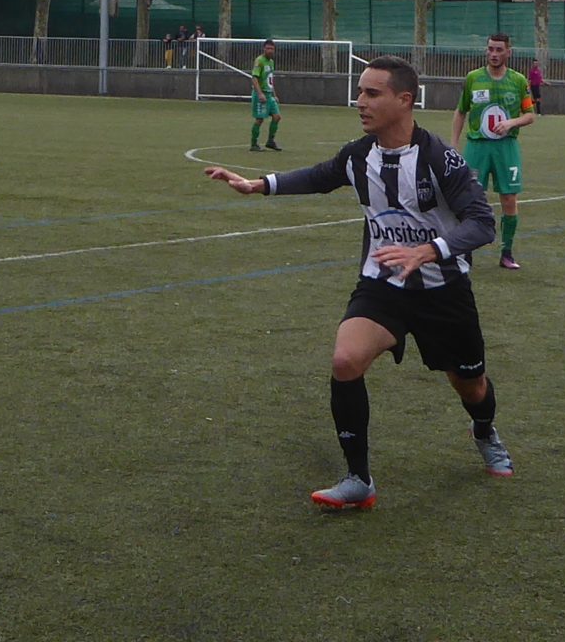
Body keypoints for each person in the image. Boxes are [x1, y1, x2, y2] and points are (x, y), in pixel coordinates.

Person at [204, 55, 513, 510]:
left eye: (372, 93)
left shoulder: (439, 159)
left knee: (472, 386)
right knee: (345, 360)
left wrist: (428, 251)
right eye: (360, 92)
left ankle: (484, 431)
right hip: (383, 285)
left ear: (404, 100)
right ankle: (358, 479)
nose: (360, 102)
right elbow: (319, 176)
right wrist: (259, 185)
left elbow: (482, 224)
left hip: (444, 293)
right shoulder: (358, 155)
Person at [451, 33, 536, 270]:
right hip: (477, 147)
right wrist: (454, 144)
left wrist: (511, 123)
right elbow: (461, 111)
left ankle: (506, 253)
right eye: (490, 49)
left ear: (509, 52)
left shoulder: (518, 81)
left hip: (506, 147)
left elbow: (530, 115)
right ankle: (464, 252)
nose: (494, 54)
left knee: (509, 198)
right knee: (469, 199)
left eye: (499, 50)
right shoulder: (473, 78)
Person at [250, 39, 283, 151]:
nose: (270, 51)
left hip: (269, 95)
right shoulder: (259, 61)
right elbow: (254, 78)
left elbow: (270, 80)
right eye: (268, 48)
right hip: (261, 94)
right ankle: (253, 144)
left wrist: (274, 95)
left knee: (277, 117)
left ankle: (270, 141)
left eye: (272, 49)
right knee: (259, 119)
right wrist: (260, 94)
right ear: (264, 49)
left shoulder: (271, 62)